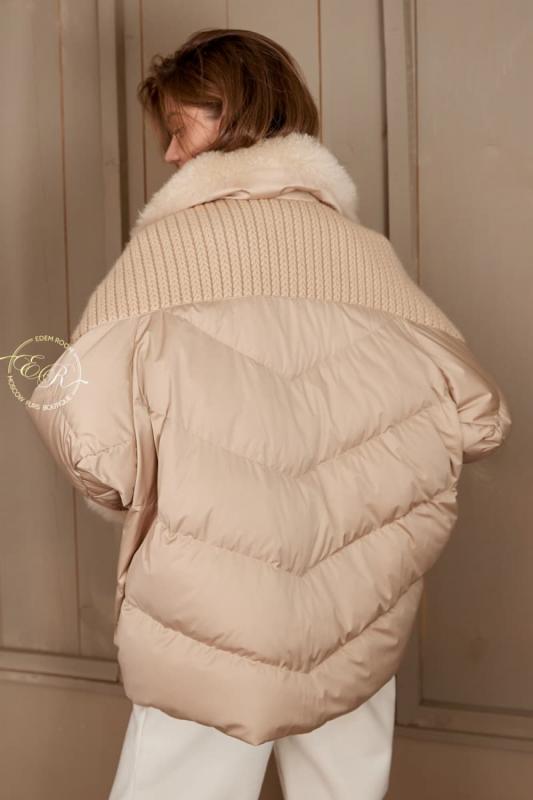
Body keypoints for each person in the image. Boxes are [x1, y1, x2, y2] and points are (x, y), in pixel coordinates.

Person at [25, 27, 512, 800]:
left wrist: (143, 487)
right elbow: (479, 418)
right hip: (355, 604)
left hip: (211, 607)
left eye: (178, 128)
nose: (169, 156)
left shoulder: (167, 256)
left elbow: (90, 437)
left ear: (232, 113)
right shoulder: (366, 256)